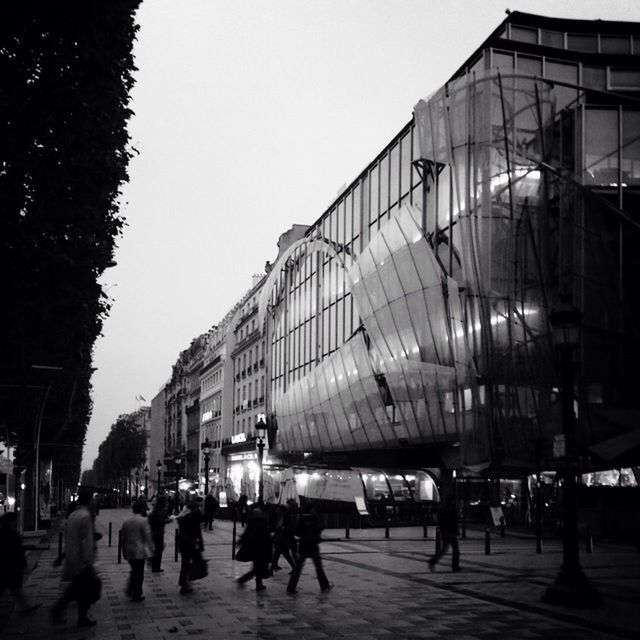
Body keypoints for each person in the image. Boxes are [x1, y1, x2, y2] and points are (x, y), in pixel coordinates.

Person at [51, 488, 100, 628]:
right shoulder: (85, 516)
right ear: (89, 500)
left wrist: (62, 557)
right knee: (80, 590)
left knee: (78, 589)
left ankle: (79, 616)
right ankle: (63, 610)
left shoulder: (73, 515)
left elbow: (70, 536)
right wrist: (88, 561)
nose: (93, 502)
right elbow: (86, 541)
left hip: (72, 557)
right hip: (82, 559)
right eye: (92, 499)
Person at [0, 512, 40, 614]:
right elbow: (16, 549)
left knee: (14, 588)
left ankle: (25, 607)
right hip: (12, 564)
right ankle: (25, 607)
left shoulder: (4, 531)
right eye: (15, 519)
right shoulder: (11, 533)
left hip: (7, 564)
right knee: (14, 587)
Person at [286, 503, 332, 594]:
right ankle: (324, 585)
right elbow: (321, 527)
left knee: (298, 568)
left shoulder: (303, 518)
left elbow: (297, 532)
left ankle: (291, 587)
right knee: (318, 567)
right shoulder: (315, 518)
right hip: (313, 545)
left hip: (303, 545)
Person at [121, 500, 154, 601]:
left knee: (135, 571)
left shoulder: (126, 522)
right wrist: (151, 549)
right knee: (139, 573)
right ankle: (136, 592)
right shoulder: (143, 521)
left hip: (129, 550)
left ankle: (131, 589)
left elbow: (123, 538)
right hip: (139, 551)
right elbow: (147, 536)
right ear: (142, 509)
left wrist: (123, 551)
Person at [236, 507, 272, 592]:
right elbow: (265, 536)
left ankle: (256, 583)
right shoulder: (263, 523)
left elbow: (247, 534)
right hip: (261, 548)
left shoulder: (252, 523)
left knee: (258, 566)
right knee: (258, 567)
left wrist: (241, 541)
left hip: (255, 548)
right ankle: (249, 581)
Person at [176, 499, 204, 594]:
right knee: (188, 564)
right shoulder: (192, 518)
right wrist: (196, 543)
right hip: (190, 544)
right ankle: (185, 583)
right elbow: (194, 532)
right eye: (199, 507)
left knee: (186, 564)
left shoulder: (185, 517)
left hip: (186, 544)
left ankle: (185, 582)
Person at [428, 496, 460, 572]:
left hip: (445, 532)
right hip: (451, 532)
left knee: (443, 550)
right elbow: (454, 522)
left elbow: (439, 519)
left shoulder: (443, 509)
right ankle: (455, 566)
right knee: (455, 550)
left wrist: (442, 528)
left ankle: (433, 561)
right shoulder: (452, 510)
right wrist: (456, 531)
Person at [147, 496, 171, 573]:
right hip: (159, 532)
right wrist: (169, 520)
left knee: (158, 548)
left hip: (153, 531)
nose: (167, 503)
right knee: (159, 549)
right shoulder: (162, 510)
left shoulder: (156, 509)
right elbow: (161, 521)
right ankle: (156, 567)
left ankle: (153, 563)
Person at [271, 504, 297, 572]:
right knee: (283, 554)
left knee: (279, 553)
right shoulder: (280, 517)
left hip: (284, 539)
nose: (277, 510)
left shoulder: (285, 517)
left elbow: (287, 528)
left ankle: (271, 569)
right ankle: (294, 568)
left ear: (282, 510)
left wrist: (281, 529)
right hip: (281, 539)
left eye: (278, 509)